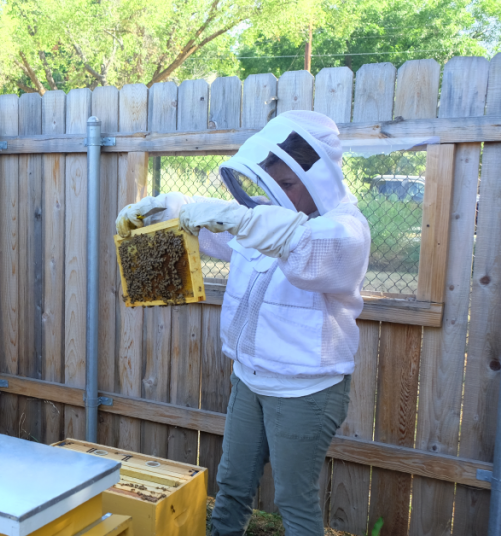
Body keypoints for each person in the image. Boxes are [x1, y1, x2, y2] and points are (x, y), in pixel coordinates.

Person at [115, 111, 370, 536]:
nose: (280, 192)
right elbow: (219, 229)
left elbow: (300, 246)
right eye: (274, 182)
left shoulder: (346, 231)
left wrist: (240, 219)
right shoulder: (266, 218)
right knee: (232, 486)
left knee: (294, 500)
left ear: (319, 180)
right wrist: (169, 210)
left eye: (288, 183)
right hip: (249, 380)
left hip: (305, 391)